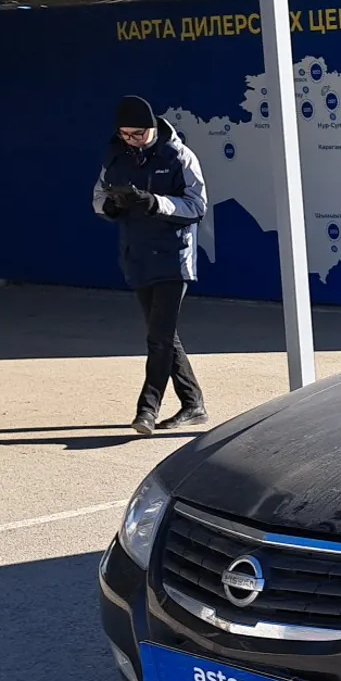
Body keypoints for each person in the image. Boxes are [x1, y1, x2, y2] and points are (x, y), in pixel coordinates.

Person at [94, 95, 209, 435]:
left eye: (139, 134)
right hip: (137, 255)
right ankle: (193, 404)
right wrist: (110, 208)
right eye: (126, 134)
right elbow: (98, 195)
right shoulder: (114, 155)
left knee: (158, 339)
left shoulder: (178, 155)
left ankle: (146, 410)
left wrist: (154, 202)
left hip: (174, 258)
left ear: (153, 128)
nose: (132, 141)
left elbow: (197, 205)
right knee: (164, 336)